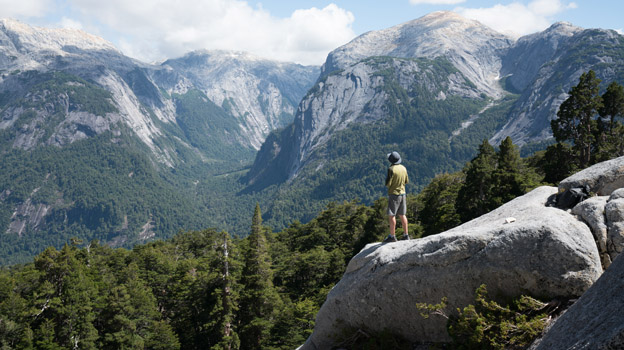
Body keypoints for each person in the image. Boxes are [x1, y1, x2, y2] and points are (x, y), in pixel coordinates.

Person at [383, 151, 410, 243]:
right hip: (403, 193)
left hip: (394, 195)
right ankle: (406, 235)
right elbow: (406, 181)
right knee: (402, 215)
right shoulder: (403, 168)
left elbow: (388, 183)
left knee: (391, 215)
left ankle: (392, 236)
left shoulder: (391, 169)